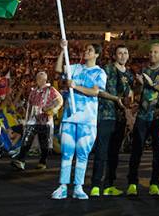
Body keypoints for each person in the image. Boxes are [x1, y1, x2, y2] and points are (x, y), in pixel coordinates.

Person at [51, 42, 107, 200]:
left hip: (87, 120)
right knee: (67, 152)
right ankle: (63, 186)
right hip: (70, 117)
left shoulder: (100, 73)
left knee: (82, 154)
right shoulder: (75, 68)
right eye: (85, 49)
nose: (86, 51)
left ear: (96, 54)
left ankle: (78, 187)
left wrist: (75, 86)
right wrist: (63, 50)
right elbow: (58, 69)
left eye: (90, 50)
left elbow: (95, 92)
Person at [127, 42, 159, 196]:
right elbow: (138, 90)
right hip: (142, 115)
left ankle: (154, 183)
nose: (152, 54)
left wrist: (151, 84)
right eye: (151, 52)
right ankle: (132, 183)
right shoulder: (144, 70)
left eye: (155, 52)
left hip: (158, 116)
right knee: (136, 150)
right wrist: (139, 86)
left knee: (157, 151)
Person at [90, 43, 133, 197]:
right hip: (105, 115)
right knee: (101, 151)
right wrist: (116, 99)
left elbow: (129, 94)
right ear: (114, 56)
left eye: (125, 53)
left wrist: (129, 105)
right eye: (120, 53)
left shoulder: (129, 75)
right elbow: (98, 91)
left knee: (114, 153)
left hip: (120, 117)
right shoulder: (106, 70)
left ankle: (109, 185)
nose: (123, 56)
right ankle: (95, 185)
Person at [12, 70, 62, 170]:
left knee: (44, 142)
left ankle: (43, 162)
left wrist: (52, 109)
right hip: (33, 118)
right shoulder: (33, 91)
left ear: (44, 80)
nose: (37, 80)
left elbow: (59, 100)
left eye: (40, 78)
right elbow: (29, 106)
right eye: (37, 78)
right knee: (27, 138)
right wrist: (26, 120)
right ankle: (21, 160)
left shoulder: (50, 90)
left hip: (45, 119)